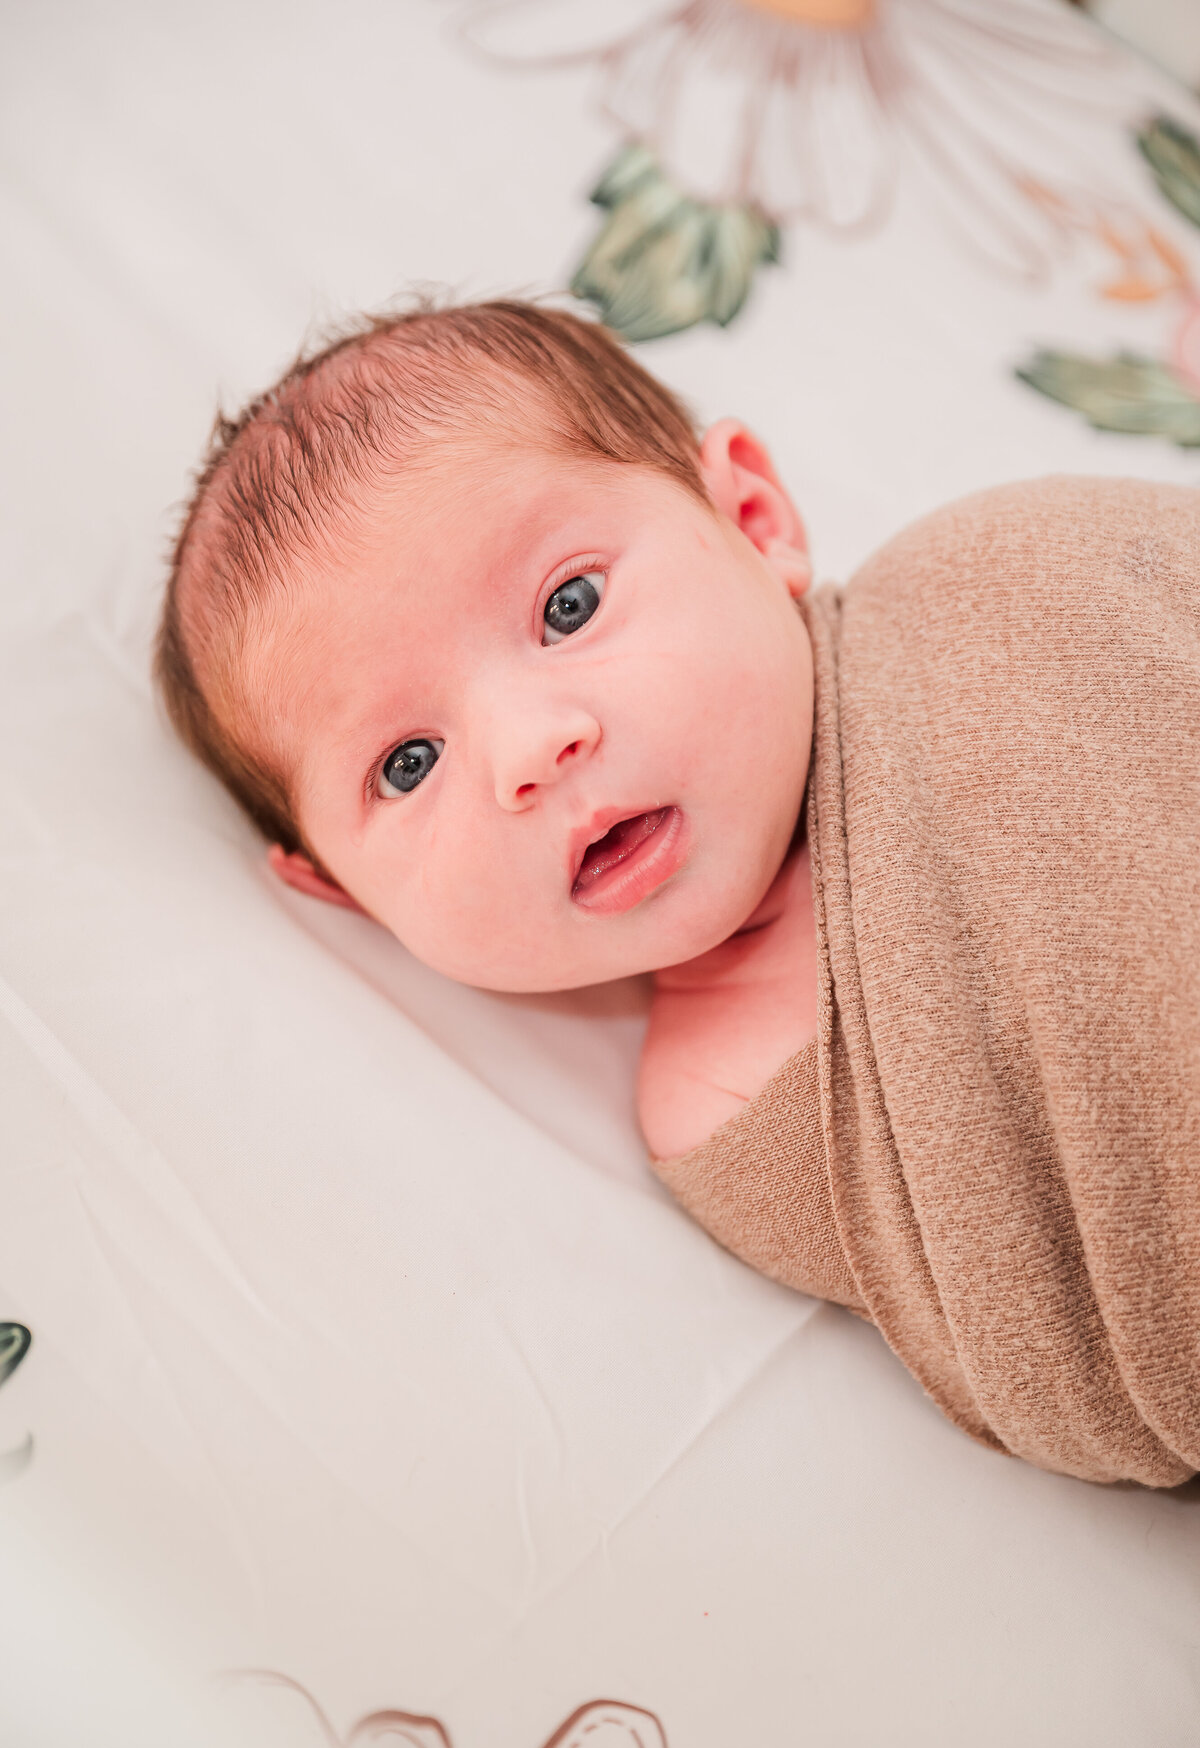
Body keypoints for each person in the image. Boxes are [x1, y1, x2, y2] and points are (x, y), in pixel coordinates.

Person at [158, 299, 1200, 1487]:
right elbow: (1038, 1332)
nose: (530, 750)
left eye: (569, 606)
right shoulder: (711, 1109)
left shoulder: (999, 578)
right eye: (408, 763)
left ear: (752, 520)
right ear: (345, 894)